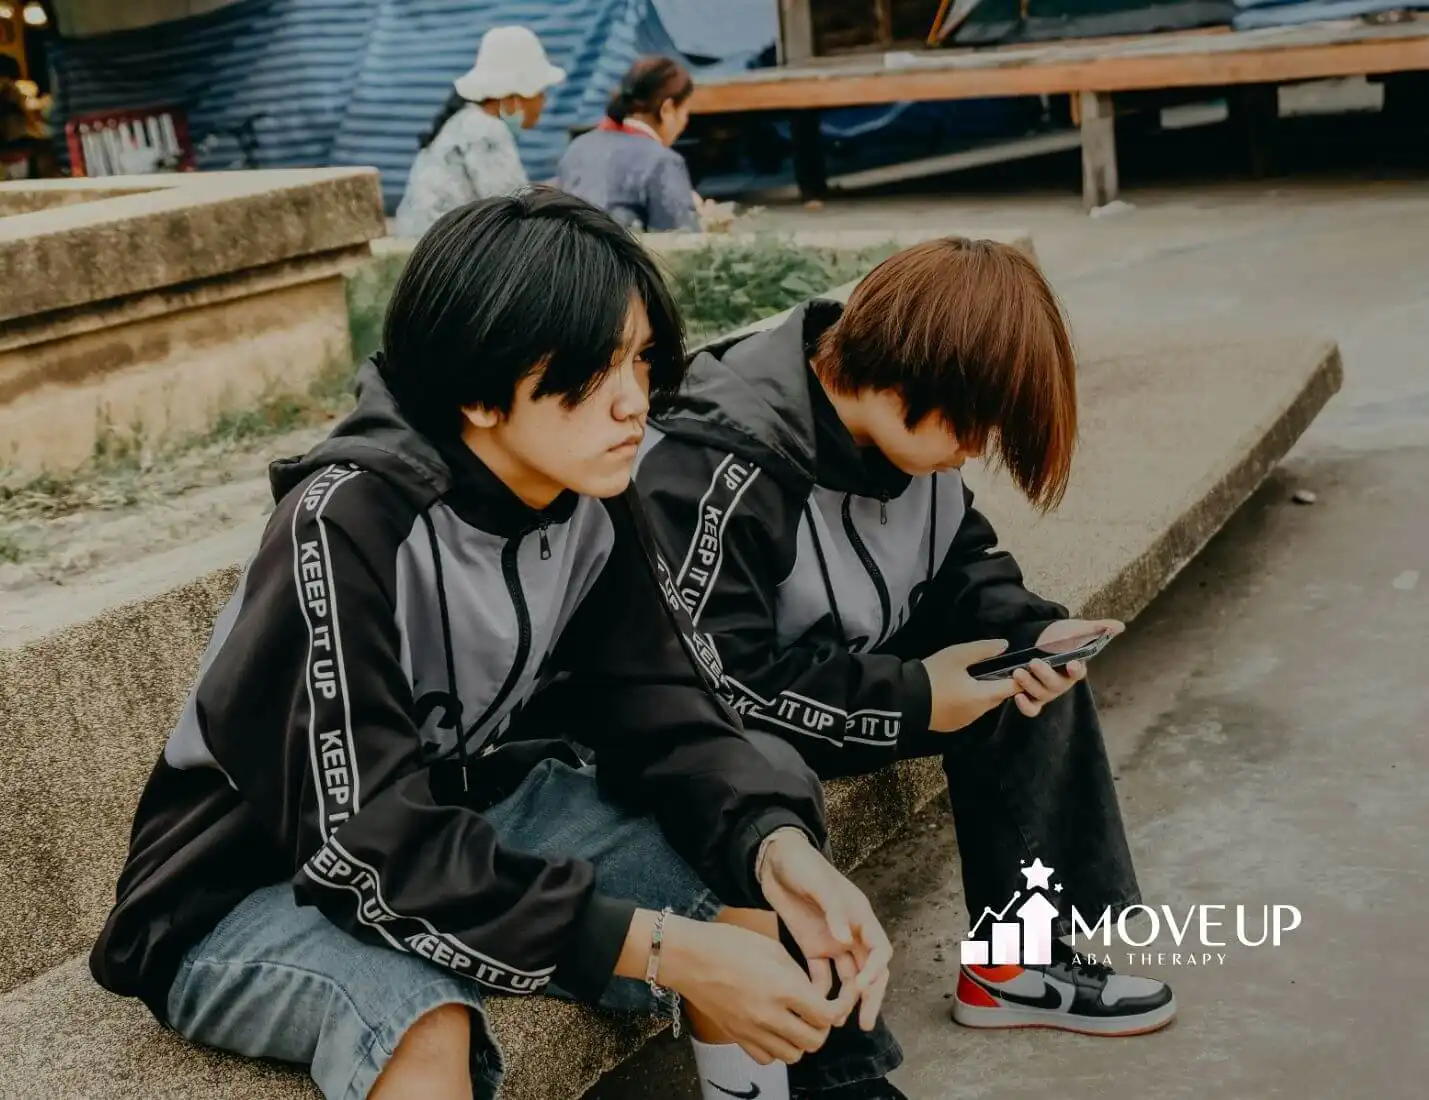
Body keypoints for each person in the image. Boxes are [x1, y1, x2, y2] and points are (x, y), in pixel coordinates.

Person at [89, 190, 908, 1100]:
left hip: (461, 817)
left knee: (759, 908)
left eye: (641, 360)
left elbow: (668, 707)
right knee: (420, 1021)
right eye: (597, 371)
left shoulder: (591, 497)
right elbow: (364, 847)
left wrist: (776, 848)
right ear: (478, 391)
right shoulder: (343, 523)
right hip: (246, 889)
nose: (635, 402)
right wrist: (669, 950)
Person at [635, 238, 1178, 1039]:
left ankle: (1014, 965)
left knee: (1020, 672)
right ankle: (821, 1042)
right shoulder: (718, 463)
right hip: (721, 725)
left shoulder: (908, 433)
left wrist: (1029, 630)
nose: (972, 452)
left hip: (831, 673)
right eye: (973, 427)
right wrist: (921, 700)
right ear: (909, 378)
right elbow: (717, 681)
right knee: (772, 771)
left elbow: (962, 560)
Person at [393, 27, 564, 239]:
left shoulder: (465, 123)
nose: (543, 101)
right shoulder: (486, 131)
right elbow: (516, 208)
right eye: (539, 92)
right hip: (446, 252)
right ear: (514, 96)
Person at [556, 56, 702, 233]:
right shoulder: (662, 161)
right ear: (667, 108)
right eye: (685, 111)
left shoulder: (578, 148)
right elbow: (684, 241)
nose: (685, 121)